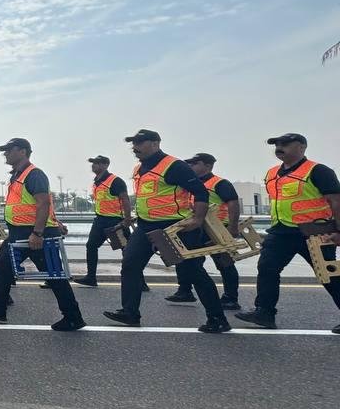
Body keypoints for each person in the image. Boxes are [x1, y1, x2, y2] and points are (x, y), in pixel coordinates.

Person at [103, 130, 230, 333]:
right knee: (130, 265)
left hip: (175, 227)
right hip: (146, 225)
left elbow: (200, 192)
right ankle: (130, 313)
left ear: (155, 143)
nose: (135, 147)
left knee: (193, 272)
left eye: (140, 143)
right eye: (133, 144)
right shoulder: (138, 169)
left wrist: (197, 219)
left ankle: (217, 318)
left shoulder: (174, 166)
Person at [0, 138, 85, 331]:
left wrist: (38, 233)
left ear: (23, 151)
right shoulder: (17, 176)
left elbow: (43, 203)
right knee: (2, 266)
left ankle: (73, 317)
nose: (5, 154)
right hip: (19, 232)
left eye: (9, 150)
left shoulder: (34, 174)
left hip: (36, 234)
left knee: (54, 275)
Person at [236, 133, 340, 332]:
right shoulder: (272, 173)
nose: (279, 147)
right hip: (281, 232)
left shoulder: (318, 171)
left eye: (285, 144)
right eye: (276, 144)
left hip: (314, 233)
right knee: (267, 268)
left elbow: (336, 201)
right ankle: (264, 312)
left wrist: (338, 230)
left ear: (301, 147)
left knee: (328, 274)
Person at [168, 154, 241, 310]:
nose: (191, 166)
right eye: (189, 163)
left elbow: (233, 203)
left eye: (195, 163)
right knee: (186, 260)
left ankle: (230, 298)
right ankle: (185, 291)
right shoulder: (188, 183)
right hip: (197, 228)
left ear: (208, 166)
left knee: (224, 263)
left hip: (217, 228)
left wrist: (233, 227)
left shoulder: (219, 183)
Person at [74, 155, 129, 288]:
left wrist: (127, 219)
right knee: (91, 246)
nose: (93, 166)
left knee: (127, 250)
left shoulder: (115, 181)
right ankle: (91, 277)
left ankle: (139, 282)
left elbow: (125, 199)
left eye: (97, 163)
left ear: (105, 165)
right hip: (100, 220)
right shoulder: (96, 182)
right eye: (93, 163)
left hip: (115, 222)